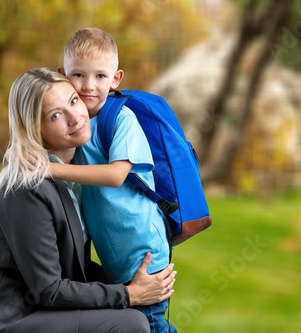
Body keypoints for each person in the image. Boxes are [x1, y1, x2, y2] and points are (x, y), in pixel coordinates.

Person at [0, 67, 176, 333]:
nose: (75, 117)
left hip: (44, 312)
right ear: (34, 129)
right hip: (8, 321)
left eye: (73, 100)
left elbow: (73, 267)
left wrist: (136, 281)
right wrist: (128, 295)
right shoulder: (26, 188)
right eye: (56, 115)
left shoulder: (78, 173)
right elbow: (48, 289)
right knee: (131, 323)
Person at [44, 28, 177, 333]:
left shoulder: (120, 120)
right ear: (62, 75)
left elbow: (117, 175)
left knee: (151, 326)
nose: (89, 86)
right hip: (114, 255)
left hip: (143, 252)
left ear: (116, 79)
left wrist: (51, 170)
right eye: (78, 75)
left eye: (100, 77)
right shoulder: (74, 123)